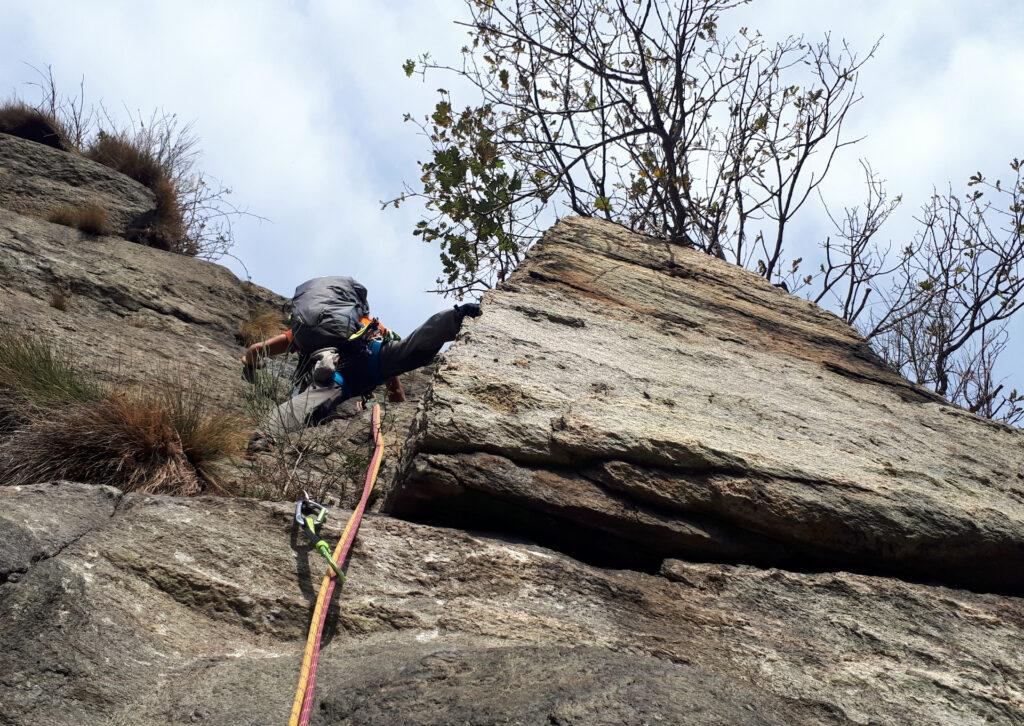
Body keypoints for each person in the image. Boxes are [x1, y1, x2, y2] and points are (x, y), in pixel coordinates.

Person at [241, 276, 480, 435]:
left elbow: (255, 351)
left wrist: (250, 363)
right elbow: (395, 391)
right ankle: (454, 317)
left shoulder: (307, 331)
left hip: (337, 372)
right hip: (375, 360)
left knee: (316, 396)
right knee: (410, 349)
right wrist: (398, 417)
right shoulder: (369, 325)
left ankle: (268, 432)